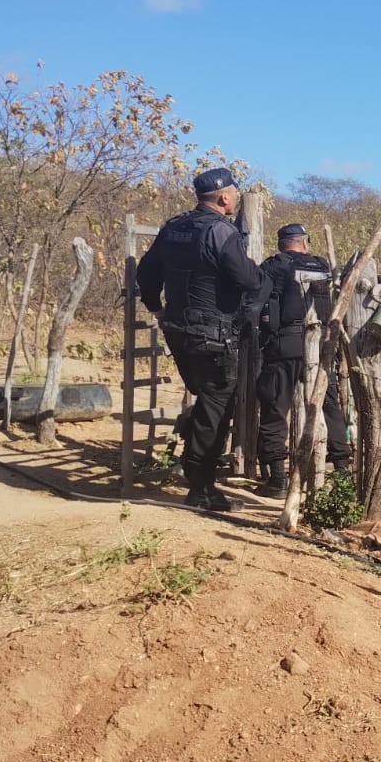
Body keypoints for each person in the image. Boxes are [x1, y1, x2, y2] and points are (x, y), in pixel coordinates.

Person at [136, 167, 263, 511]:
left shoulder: (173, 228)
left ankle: (191, 469)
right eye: (235, 193)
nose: (236, 198)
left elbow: (145, 273)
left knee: (207, 400)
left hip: (178, 332)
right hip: (213, 335)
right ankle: (201, 488)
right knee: (216, 408)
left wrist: (157, 309)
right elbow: (247, 279)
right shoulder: (222, 232)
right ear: (224, 197)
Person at [254, 223, 351, 496]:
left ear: (281, 244)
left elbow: (256, 298)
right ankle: (343, 473)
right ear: (305, 243)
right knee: (330, 408)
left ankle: (277, 480)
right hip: (321, 344)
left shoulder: (273, 266)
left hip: (285, 344)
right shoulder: (322, 266)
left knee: (274, 408)